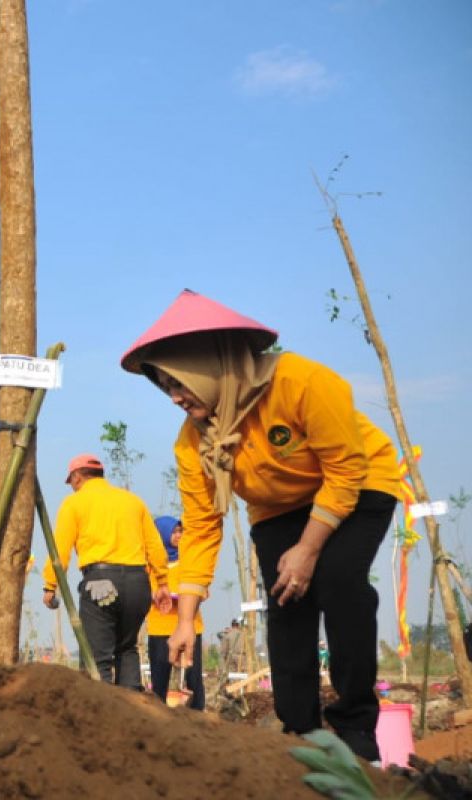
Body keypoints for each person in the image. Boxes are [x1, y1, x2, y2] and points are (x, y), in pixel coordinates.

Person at [121, 288, 400, 761]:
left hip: (357, 482)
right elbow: (203, 527)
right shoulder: (193, 443)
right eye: (165, 387)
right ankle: (301, 735)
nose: (174, 398)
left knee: (336, 583)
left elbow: (346, 469)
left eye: (179, 383)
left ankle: (357, 733)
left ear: (208, 365)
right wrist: (185, 621)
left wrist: (310, 547)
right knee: (286, 602)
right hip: (276, 510)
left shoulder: (301, 381)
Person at [41, 453, 171, 690]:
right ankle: (132, 713)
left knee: (96, 660)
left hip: (101, 582)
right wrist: (162, 582)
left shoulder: (75, 503)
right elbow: (155, 547)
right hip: (138, 584)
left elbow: (59, 551)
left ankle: (101, 720)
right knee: (127, 648)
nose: (71, 487)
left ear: (77, 477)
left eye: (70, 482)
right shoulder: (133, 501)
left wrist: (50, 586)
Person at [145, 516, 205, 709]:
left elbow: (201, 589)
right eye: (174, 531)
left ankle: (198, 715)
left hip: (190, 626)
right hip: (160, 628)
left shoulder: (189, 561)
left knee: (193, 678)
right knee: (159, 679)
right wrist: (158, 595)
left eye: (181, 531)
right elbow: (146, 590)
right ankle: (159, 719)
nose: (179, 535)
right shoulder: (150, 564)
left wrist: (187, 596)